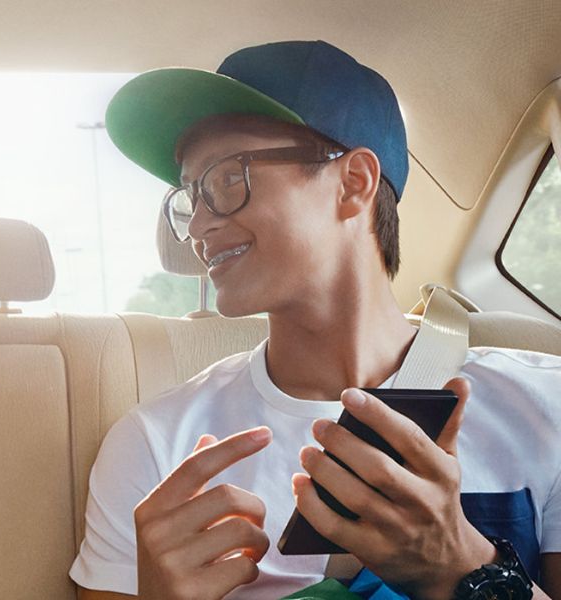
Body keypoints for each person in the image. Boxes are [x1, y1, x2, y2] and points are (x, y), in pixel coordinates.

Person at [70, 41, 561, 599]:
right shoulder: (157, 444)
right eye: (189, 197)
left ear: (353, 183)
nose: (200, 224)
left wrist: (460, 564)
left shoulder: (548, 406)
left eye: (228, 180)